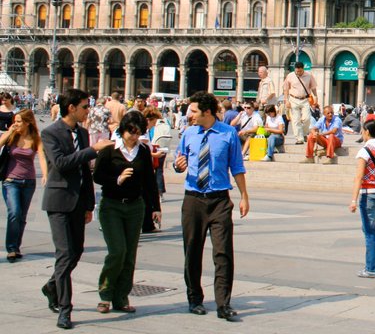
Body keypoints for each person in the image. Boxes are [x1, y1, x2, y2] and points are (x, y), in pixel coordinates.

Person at [41, 89, 115, 330]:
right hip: (59, 201)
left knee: (76, 252)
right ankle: (65, 309)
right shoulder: (50, 132)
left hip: (78, 202)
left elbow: (84, 170)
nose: (88, 111)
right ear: (71, 107)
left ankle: (52, 285)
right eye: (85, 106)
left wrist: (89, 203)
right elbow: (61, 163)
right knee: (64, 254)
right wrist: (93, 150)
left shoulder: (82, 133)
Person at [172, 91, 249, 322]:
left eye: (194, 111)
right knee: (192, 250)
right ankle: (194, 298)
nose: (190, 115)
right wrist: (178, 165)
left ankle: (223, 303)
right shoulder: (188, 133)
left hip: (219, 199)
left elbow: (236, 166)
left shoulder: (228, 134)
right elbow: (179, 161)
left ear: (207, 112)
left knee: (223, 252)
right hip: (193, 199)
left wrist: (244, 195)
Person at [92, 111, 161, 314]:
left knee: (130, 254)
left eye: (137, 132)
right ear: (123, 130)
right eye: (130, 131)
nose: (133, 136)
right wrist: (117, 178)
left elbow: (149, 181)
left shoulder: (143, 151)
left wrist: (155, 207)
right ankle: (105, 293)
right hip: (112, 205)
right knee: (117, 251)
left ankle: (121, 297)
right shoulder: (109, 150)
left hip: (135, 206)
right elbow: (97, 176)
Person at [349, 119, 375, 278]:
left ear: (367, 132)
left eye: (362, 131)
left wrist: (353, 200)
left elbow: (358, 177)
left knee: (369, 232)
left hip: (368, 195)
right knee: (369, 229)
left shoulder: (364, 151)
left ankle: (371, 268)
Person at [2, 109, 47, 262]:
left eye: (19, 121)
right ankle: (12, 248)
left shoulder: (35, 138)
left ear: (27, 122)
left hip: (28, 181)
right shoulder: (12, 136)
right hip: (10, 180)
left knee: (22, 216)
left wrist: (46, 174)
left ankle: (16, 246)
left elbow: (42, 156)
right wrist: (9, 132)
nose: (16, 123)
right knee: (14, 213)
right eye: (15, 120)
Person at [282, 61, 317, 145]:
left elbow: (313, 88)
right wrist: (286, 100)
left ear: (303, 69)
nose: (298, 73)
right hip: (293, 99)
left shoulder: (309, 75)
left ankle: (304, 133)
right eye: (297, 71)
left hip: (305, 99)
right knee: (296, 120)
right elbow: (286, 89)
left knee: (307, 119)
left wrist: (316, 97)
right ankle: (299, 138)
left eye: (300, 71)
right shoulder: (290, 76)